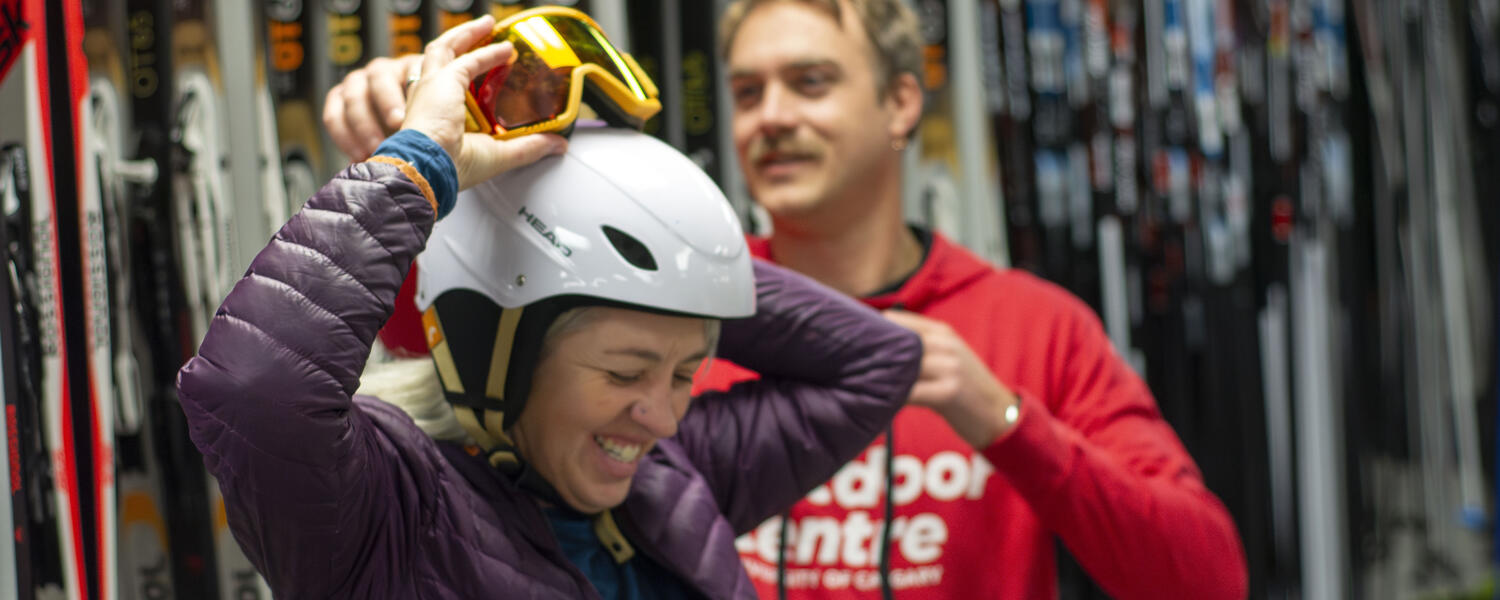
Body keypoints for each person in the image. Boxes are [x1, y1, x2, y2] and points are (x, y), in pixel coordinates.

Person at [324, 2, 1250, 598]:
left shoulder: (1028, 324)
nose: (771, 116)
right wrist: (418, 173)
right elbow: (428, 415)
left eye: (811, 83)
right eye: (747, 92)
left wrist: (1002, 417)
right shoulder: (634, 310)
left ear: (898, 104)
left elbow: (1204, 577)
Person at [180, 16, 922, 599]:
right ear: (486, 346)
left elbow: (875, 360)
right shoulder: (390, 514)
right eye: (627, 372)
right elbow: (254, 389)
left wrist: (632, 205)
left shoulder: (669, 480)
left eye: (686, 373)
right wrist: (415, 170)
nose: (664, 418)